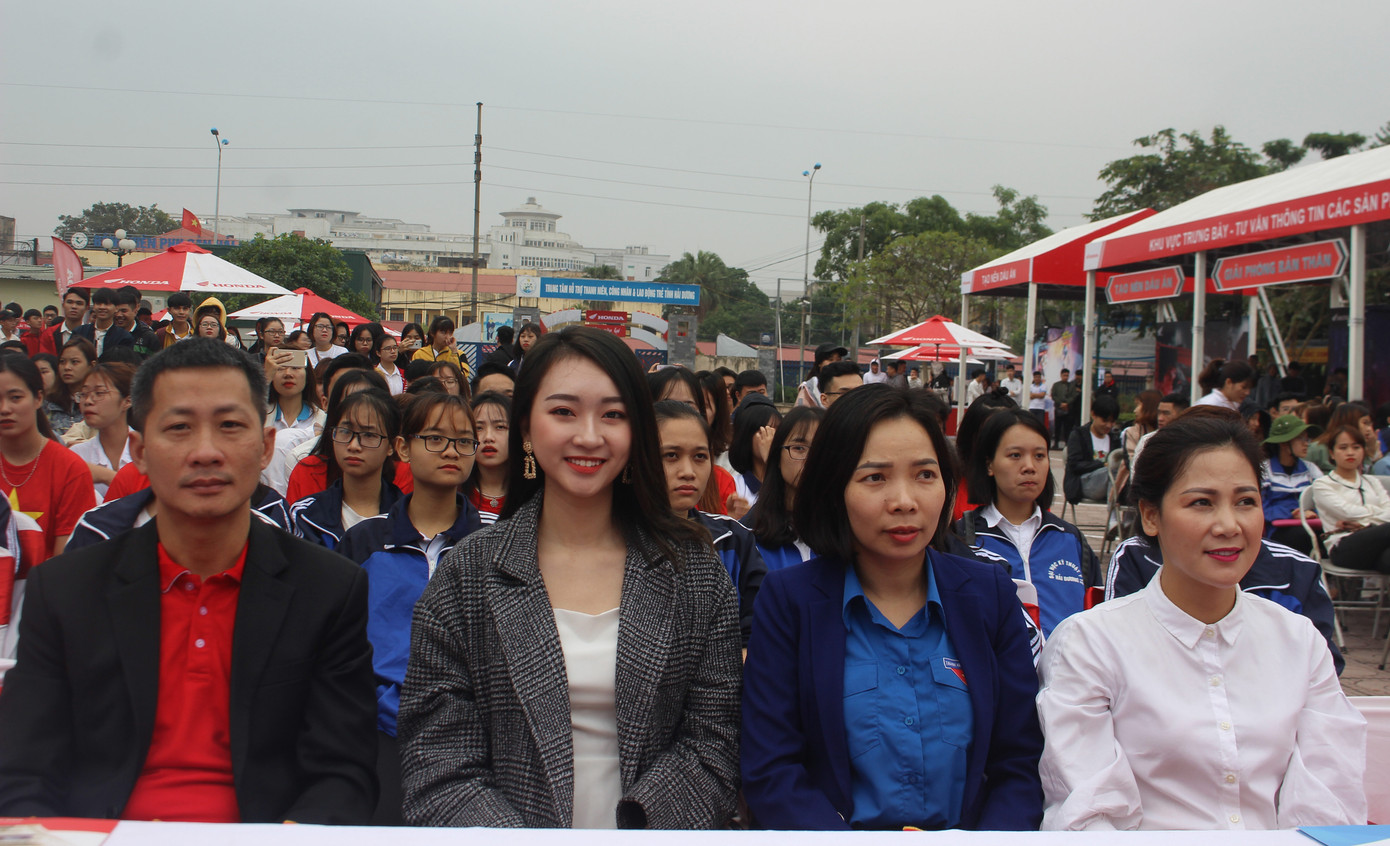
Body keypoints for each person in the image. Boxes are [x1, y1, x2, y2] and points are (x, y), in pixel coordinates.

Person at [0, 339, 380, 822]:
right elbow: (23, 774)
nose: (205, 452)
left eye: (230, 426)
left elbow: (343, 773)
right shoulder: (67, 592)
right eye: (179, 428)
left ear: (265, 448)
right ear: (138, 451)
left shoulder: (328, 590)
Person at [398, 327, 741, 828]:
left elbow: (714, 744)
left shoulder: (693, 573)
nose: (589, 435)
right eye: (563, 411)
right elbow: (438, 762)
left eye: (613, 415)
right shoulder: (467, 575)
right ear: (526, 428)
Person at [1037, 410, 1366, 830]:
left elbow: (1328, 803)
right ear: (1151, 516)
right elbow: (1086, 814)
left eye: (1246, 501)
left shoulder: (1298, 642)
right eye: (1201, 503)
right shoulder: (1091, 644)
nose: (1229, 525)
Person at [741, 385, 1044, 831]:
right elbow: (772, 770)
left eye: (925, 474)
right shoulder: (790, 602)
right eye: (875, 477)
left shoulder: (989, 594)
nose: (905, 500)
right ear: (834, 488)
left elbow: (1019, 763)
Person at [337, 391, 483, 825]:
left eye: (463, 440)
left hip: (469, 742)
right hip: (376, 736)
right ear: (402, 447)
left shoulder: (494, 545)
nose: (451, 451)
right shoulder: (364, 542)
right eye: (435, 438)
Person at [951, 408, 1101, 637]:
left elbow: (1097, 617)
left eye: (1039, 456)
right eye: (1015, 455)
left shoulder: (1071, 539)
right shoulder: (961, 538)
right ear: (989, 464)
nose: (1030, 466)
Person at [654, 400, 767, 648]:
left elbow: (759, 633)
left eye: (700, 457)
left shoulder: (733, 540)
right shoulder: (612, 542)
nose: (688, 471)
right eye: (671, 455)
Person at [0, 354, 95, 563]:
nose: (4, 408)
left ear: (39, 398)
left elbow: (66, 564)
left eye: (15, 397)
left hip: (44, 590)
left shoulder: (69, 469)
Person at [290, 389, 405, 550]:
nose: (354, 446)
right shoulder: (306, 515)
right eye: (345, 432)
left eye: (369, 435)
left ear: (392, 446)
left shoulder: (407, 518)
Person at [745, 406, 823, 572]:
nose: (810, 460)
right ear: (777, 457)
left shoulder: (851, 540)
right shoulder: (748, 539)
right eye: (799, 448)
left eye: (821, 449)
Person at [1311, 424, 1390, 575]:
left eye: (1356, 447)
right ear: (1332, 453)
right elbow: (1347, 512)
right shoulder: (1323, 484)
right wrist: (1377, 517)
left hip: (1375, 547)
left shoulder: (1372, 482)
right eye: (1343, 447)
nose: (1350, 452)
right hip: (1343, 546)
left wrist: (1363, 524)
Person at [69, 361, 137, 499]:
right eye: (83, 394)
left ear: (127, 401)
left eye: (99, 393)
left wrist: (106, 476)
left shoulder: (150, 451)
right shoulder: (76, 456)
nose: (88, 401)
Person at [1260, 414, 1323, 555]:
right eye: (1301, 439)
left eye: (1307, 438)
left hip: (1310, 524)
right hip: (1277, 531)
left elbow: (1325, 500)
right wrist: (1291, 513)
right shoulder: (1264, 471)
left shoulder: (1311, 469)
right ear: (1284, 443)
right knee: (1304, 537)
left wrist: (1313, 514)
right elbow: (1260, 507)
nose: (1306, 443)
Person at [726, 392, 781, 513]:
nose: (772, 437)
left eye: (777, 429)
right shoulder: (734, 485)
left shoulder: (788, 483)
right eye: (765, 430)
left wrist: (772, 460)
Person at [1064, 394, 1120, 504]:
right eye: (1105, 420)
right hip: (1084, 483)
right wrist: (1102, 465)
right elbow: (1074, 464)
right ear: (1093, 414)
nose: (1108, 425)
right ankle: (1113, 516)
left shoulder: (1114, 439)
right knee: (1111, 471)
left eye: (1112, 422)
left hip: (1110, 483)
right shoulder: (1079, 435)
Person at [465, 391, 510, 525]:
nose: (488, 437)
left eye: (500, 427)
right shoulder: (454, 491)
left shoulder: (534, 495)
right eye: (479, 428)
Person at [72, 288, 133, 358]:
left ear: (116, 308)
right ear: (94, 307)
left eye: (107, 304)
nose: (102, 307)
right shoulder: (79, 332)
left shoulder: (123, 337)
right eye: (98, 303)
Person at [38, 288, 89, 355]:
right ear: (63, 305)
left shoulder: (91, 333)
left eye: (79, 303)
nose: (74, 306)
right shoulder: (49, 334)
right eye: (69, 302)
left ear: (86, 308)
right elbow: (45, 359)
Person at [796, 341, 847, 408]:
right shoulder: (809, 388)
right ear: (819, 363)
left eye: (838, 360)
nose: (835, 363)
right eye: (830, 359)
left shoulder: (845, 384)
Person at [1050, 368, 1076, 449]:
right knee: (1057, 427)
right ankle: (1056, 444)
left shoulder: (1071, 385)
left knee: (1067, 427)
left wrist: (1066, 403)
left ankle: (1067, 445)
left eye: (1067, 375)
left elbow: (1073, 396)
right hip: (1058, 409)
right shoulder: (1056, 385)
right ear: (1061, 375)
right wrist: (1060, 403)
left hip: (1068, 409)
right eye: (1064, 375)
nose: (1066, 377)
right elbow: (1053, 395)